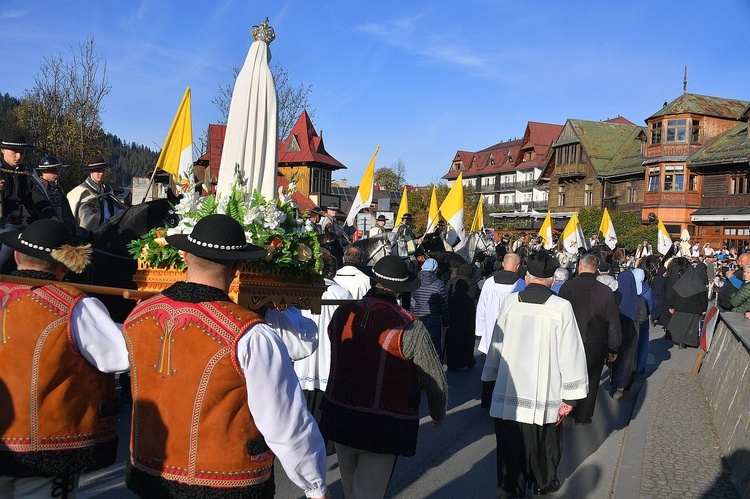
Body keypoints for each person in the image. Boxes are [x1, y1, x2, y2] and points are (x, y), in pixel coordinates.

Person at [121, 214, 328, 498]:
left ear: (184, 256)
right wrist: (315, 487)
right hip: (224, 484)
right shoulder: (250, 335)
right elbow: (287, 425)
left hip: (150, 476)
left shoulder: (138, 316)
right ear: (239, 267)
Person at [0, 219, 129, 497]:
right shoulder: (75, 306)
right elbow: (119, 357)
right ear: (63, 267)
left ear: (15, 256)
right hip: (47, 449)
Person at [320, 255, 448, 499]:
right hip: (382, 424)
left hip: (340, 413)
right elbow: (433, 376)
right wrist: (438, 411)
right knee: (368, 493)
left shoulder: (342, 314)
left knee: (349, 488)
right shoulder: (409, 324)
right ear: (400, 290)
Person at [482, 250, 588, 497]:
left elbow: (496, 343)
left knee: (509, 446)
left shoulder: (510, 302)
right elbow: (570, 352)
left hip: (510, 390)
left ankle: (510, 491)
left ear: (526, 277)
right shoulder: (561, 307)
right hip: (545, 392)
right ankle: (543, 481)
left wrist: (490, 377)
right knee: (544, 443)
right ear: (552, 280)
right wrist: (570, 397)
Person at [558, 254, 621, 425]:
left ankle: (566, 407)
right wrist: (614, 348)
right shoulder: (605, 291)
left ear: (580, 267)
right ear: (596, 270)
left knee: (566, 376)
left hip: (569, 340)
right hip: (595, 342)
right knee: (592, 380)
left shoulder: (567, 288)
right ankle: (583, 416)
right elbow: (612, 322)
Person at [0, 133, 56, 271]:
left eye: (22, 152)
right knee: (8, 247)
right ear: (2, 150)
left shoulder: (28, 174)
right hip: (4, 225)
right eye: (15, 152)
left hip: (29, 225)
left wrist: (51, 216)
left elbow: (40, 199)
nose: (18, 156)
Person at [475, 253, 526, 407]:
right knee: (507, 370)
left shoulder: (489, 283)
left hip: (491, 333)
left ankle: (487, 400)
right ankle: (504, 402)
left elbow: (481, 308)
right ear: (517, 267)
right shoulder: (521, 284)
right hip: (511, 335)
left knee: (489, 369)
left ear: (503, 264)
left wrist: (480, 331)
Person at [67, 156, 127, 231]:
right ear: (90, 171)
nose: (101, 173)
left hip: (107, 232)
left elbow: (115, 209)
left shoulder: (107, 190)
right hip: (87, 235)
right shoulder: (80, 192)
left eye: (103, 170)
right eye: (98, 170)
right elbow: (71, 214)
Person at [445, 263, 479, 370]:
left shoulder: (450, 283)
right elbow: (477, 295)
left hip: (452, 315)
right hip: (467, 317)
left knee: (452, 339)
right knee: (467, 339)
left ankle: (451, 362)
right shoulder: (472, 285)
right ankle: (467, 360)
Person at [411, 258, 449, 356]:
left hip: (418, 318)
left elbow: (414, 296)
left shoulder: (416, 281)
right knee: (435, 347)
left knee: (419, 345)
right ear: (435, 269)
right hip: (434, 319)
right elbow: (443, 304)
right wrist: (446, 322)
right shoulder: (439, 284)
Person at [610, 270, 639, 400]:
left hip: (617, 331)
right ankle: (622, 385)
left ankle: (615, 383)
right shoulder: (639, 299)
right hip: (633, 331)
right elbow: (644, 315)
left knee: (616, 358)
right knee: (627, 359)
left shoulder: (615, 297)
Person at [666, 262, 708, 349]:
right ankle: (687, 341)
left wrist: (671, 306)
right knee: (690, 327)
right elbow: (702, 298)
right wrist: (704, 309)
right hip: (693, 309)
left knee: (681, 325)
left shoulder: (680, 284)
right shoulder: (698, 285)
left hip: (680, 308)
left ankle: (680, 341)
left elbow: (673, 296)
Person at [35, 156, 78, 236]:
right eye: (53, 170)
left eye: (58, 170)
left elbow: (65, 209)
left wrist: (70, 224)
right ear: (43, 171)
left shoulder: (58, 188)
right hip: (46, 229)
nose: (56, 173)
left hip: (61, 227)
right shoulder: (38, 187)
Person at [632, 268, 655, 375]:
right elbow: (651, 308)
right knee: (642, 345)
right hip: (643, 321)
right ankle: (639, 368)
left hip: (629, 320)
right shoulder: (647, 290)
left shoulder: (626, 287)